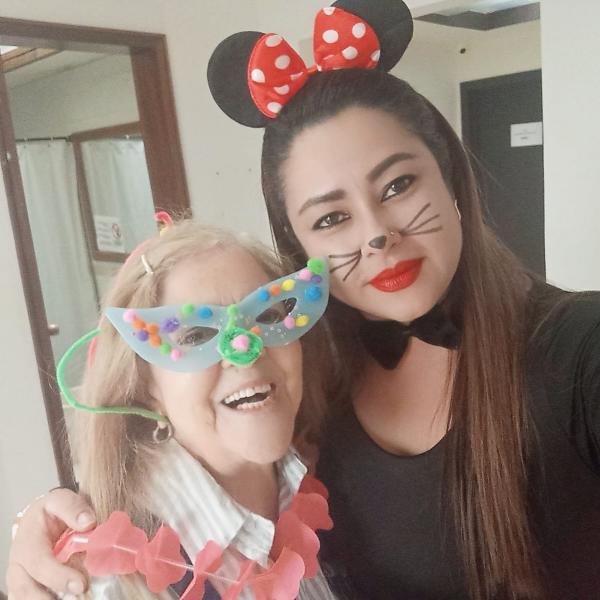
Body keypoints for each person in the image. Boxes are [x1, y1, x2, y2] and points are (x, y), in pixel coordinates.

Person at [8, 1, 600, 598]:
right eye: (331, 218)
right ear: (300, 251)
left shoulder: (581, 347)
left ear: (450, 180)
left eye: (398, 185)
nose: (376, 234)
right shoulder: (313, 384)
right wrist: (54, 525)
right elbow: (187, 463)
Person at [8, 218, 337, 599]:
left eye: (267, 316)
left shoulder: (334, 479)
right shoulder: (104, 582)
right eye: (196, 335)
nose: (245, 350)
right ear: (146, 387)